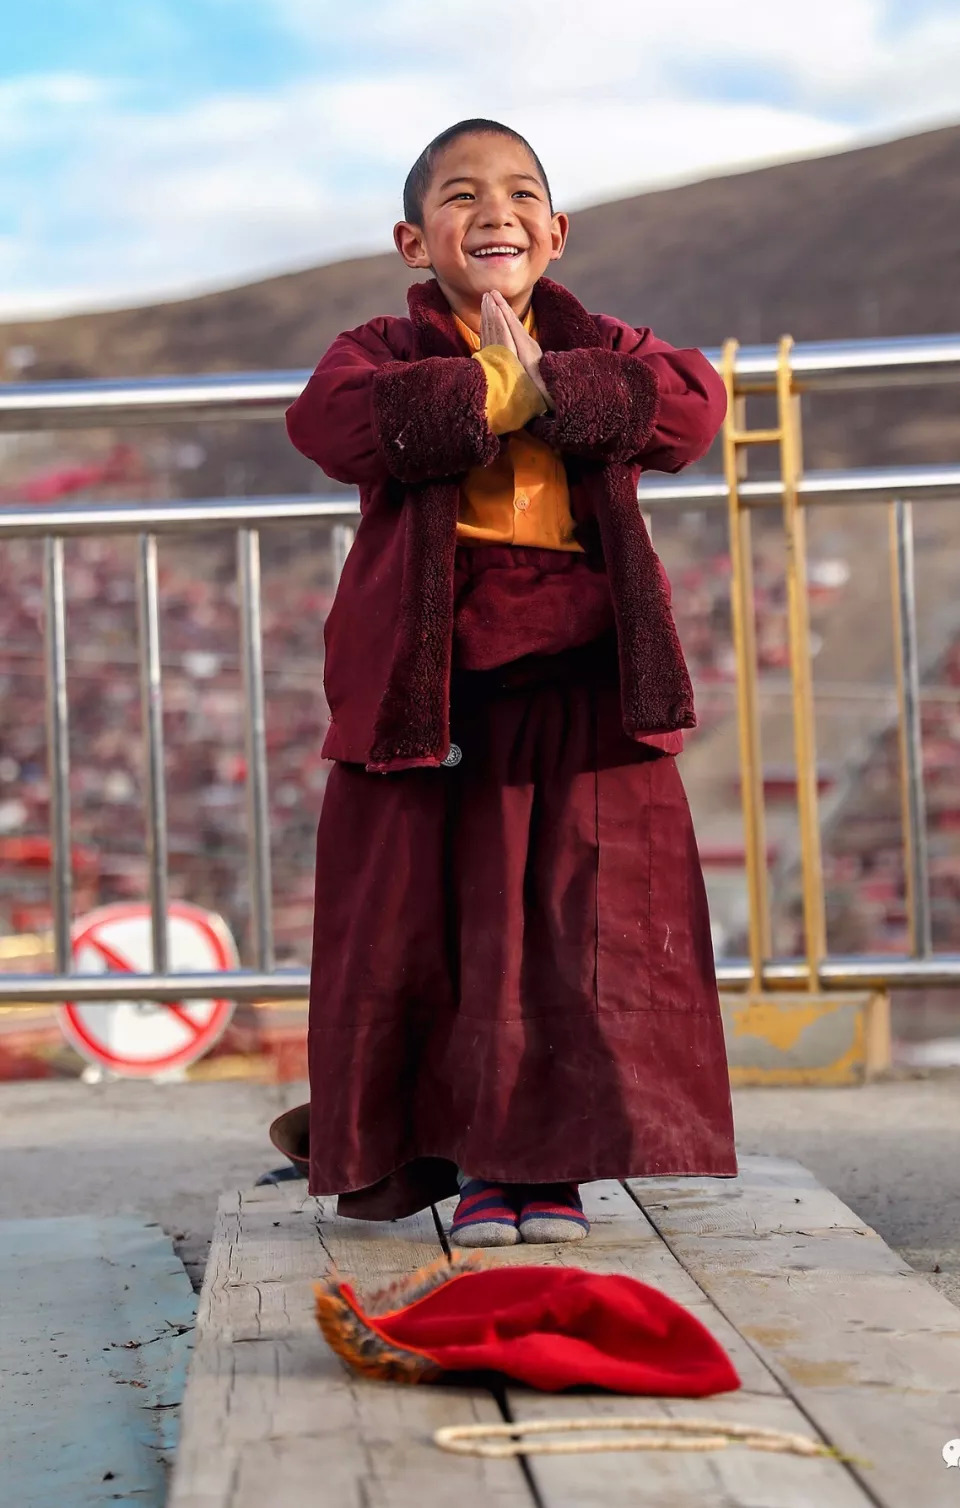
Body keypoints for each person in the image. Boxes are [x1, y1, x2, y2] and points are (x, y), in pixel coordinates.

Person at [284, 117, 736, 1246]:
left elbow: (693, 406)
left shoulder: (602, 342)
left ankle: (552, 1172)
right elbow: (333, 425)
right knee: (457, 926)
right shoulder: (382, 349)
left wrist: (565, 388)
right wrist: (494, 390)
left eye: (522, 192)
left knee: (569, 927)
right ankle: (484, 1165)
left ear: (557, 231)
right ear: (410, 239)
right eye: (461, 195)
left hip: (581, 679)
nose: (496, 211)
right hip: (440, 682)